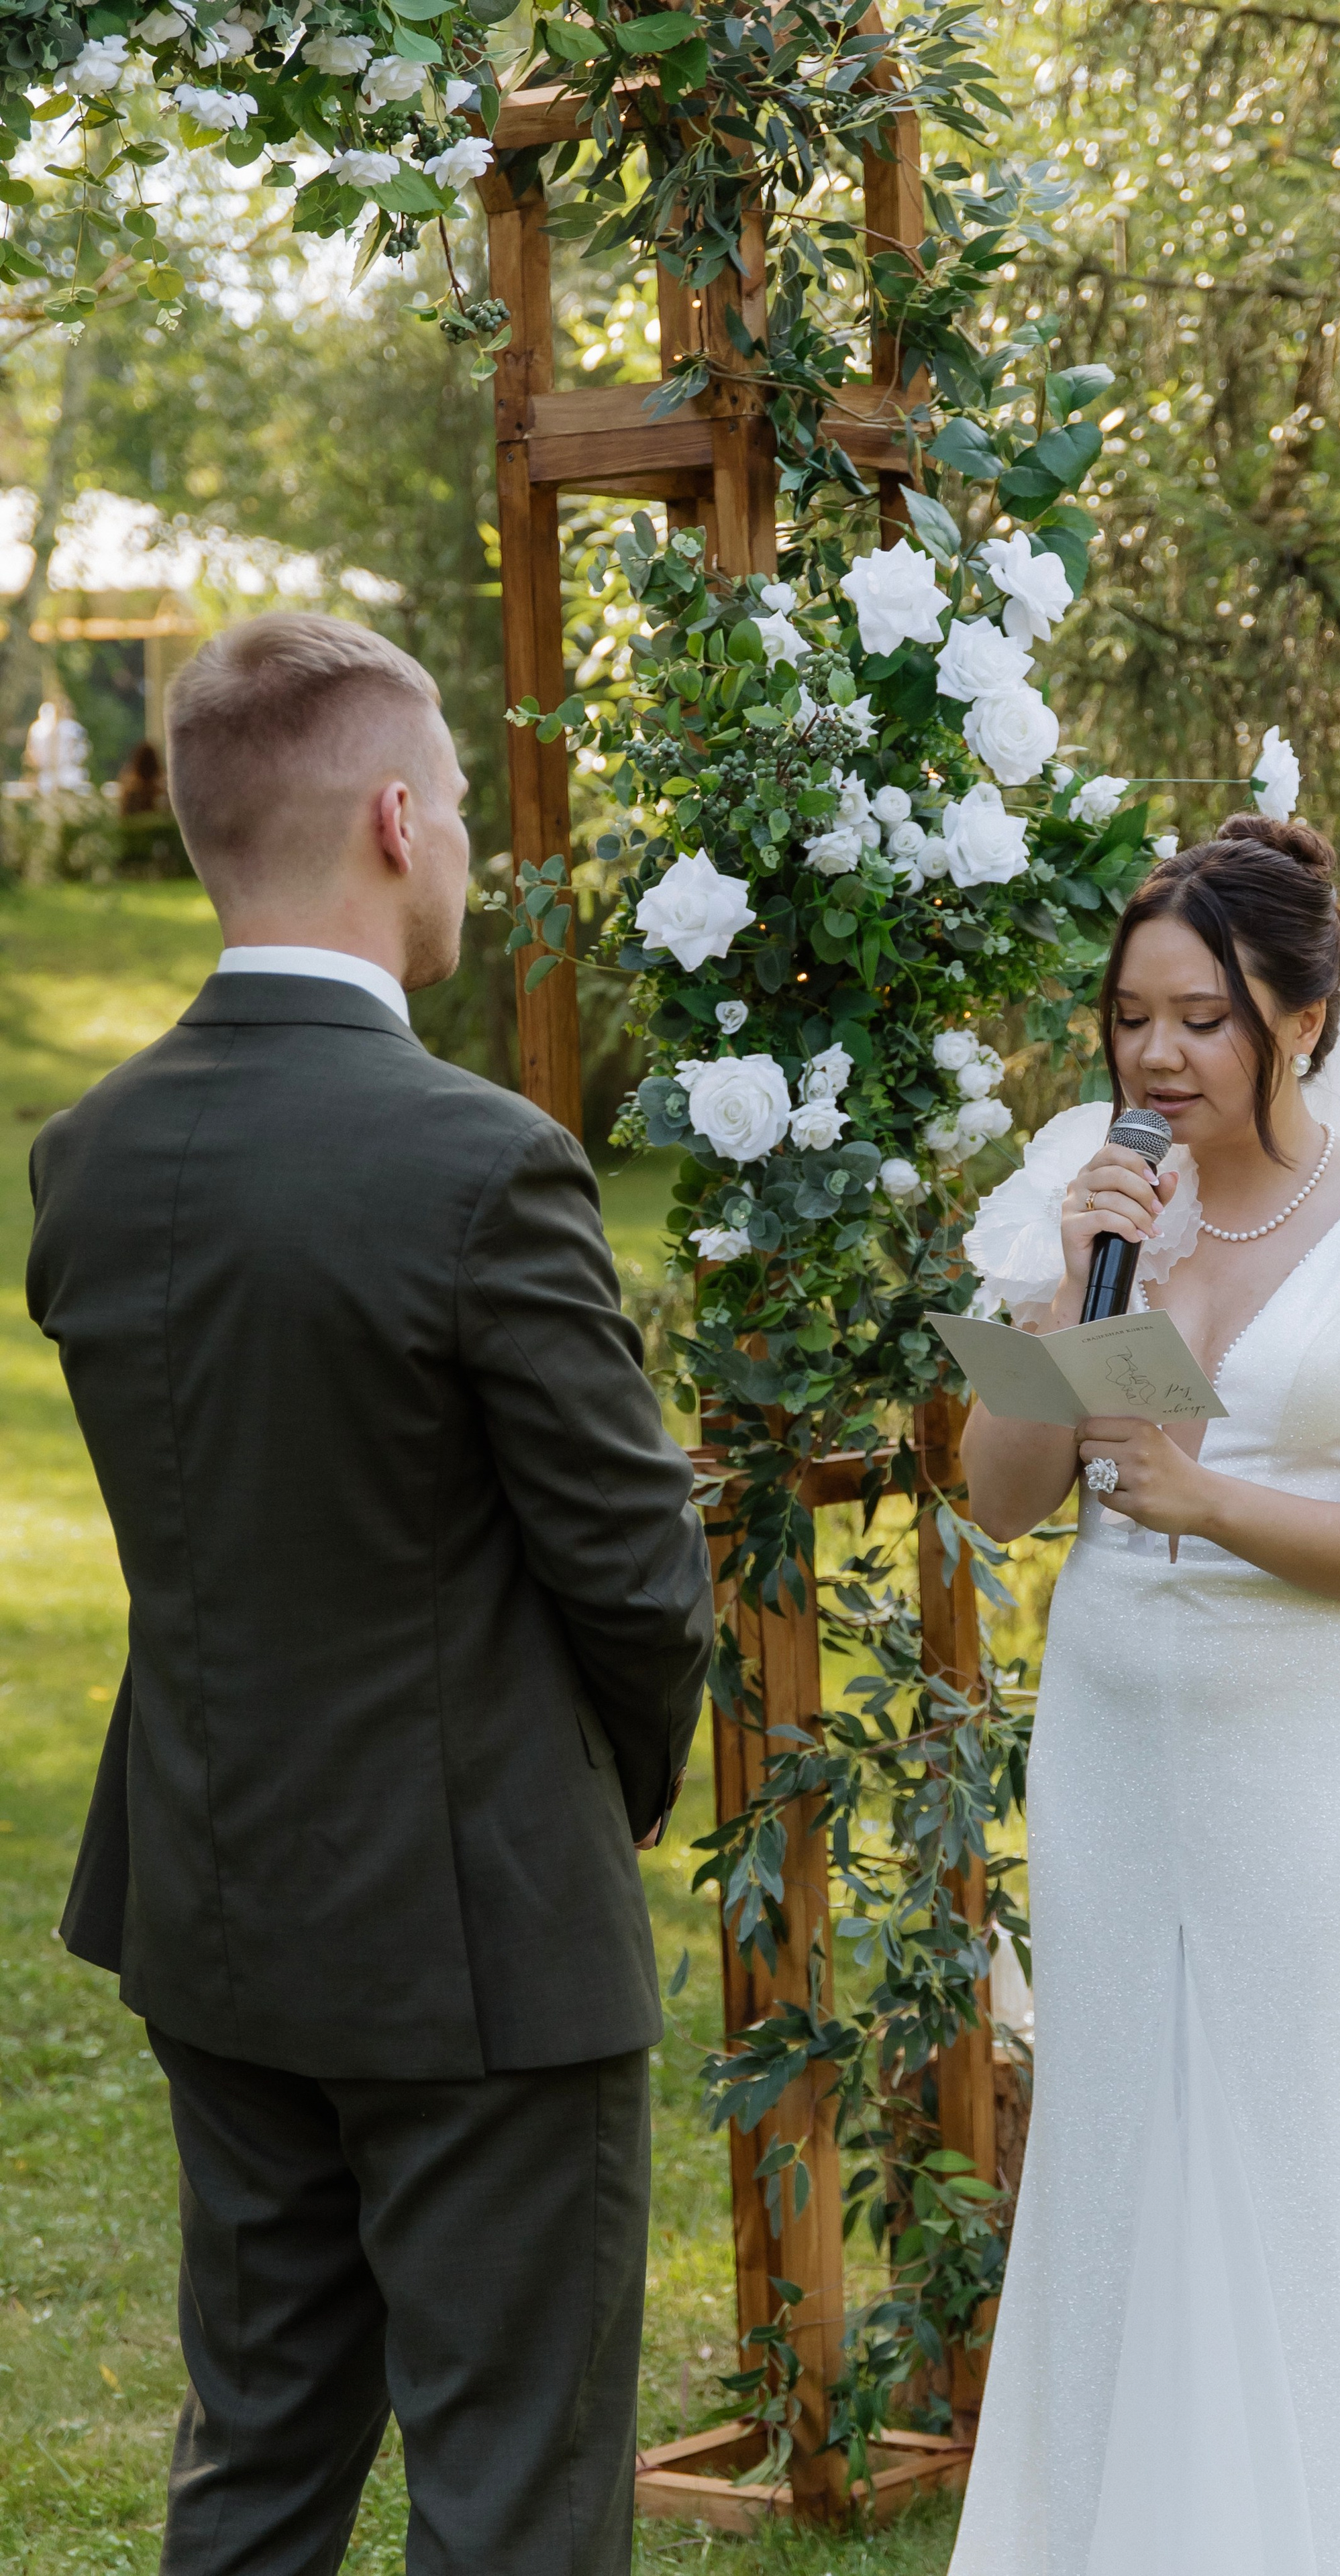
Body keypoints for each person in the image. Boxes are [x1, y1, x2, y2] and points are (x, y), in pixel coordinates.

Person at [27, 612, 715, 2576]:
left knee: (253, 2454)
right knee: (512, 2493)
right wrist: (626, 1785)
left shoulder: (90, 1158)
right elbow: (632, 1575)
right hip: (480, 1935)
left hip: (216, 1904)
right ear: (400, 824)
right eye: (467, 819)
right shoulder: (481, 1166)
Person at [949, 814, 1340, 2576]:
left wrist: (1207, 1494)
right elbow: (995, 1497)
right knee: (1121, 2148)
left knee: (1285, 2173)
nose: (1156, 1055)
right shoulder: (1098, 1187)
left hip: (1309, 1769)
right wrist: (1077, 1282)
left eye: (1201, 1018)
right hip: (1114, 1756)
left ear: (1301, 1016)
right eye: (1131, 1015)